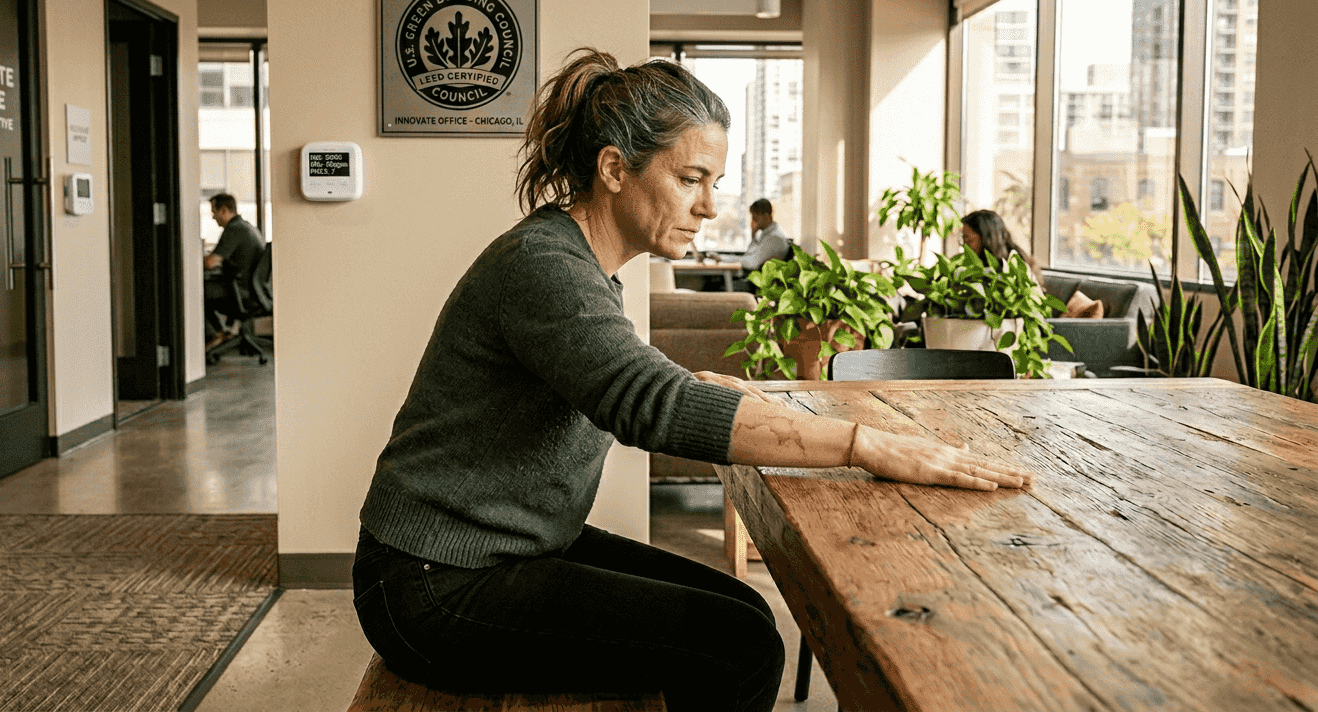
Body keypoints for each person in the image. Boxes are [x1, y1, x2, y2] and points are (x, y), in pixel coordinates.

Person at [352, 48, 1033, 712]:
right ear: (614, 168)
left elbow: (612, 369)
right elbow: (648, 406)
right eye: (690, 179)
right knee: (740, 647)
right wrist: (867, 445)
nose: (709, 207)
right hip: (433, 584)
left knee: (743, 608)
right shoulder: (544, 265)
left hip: (507, 549)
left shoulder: (577, 263)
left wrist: (698, 381)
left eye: (714, 184)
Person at [203, 193, 265, 350]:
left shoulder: (234, 229)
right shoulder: (246, 226)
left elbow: (211, 263)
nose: (213, 217)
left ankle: (216, 334)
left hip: (242, 292)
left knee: (196, 292)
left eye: (214, 212)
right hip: (255, 291)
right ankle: (224, 331)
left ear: (223, 210)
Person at [960, 208, 1044, 287]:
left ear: (986, 239)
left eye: (968, 239)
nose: (964, 245)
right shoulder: (971, 264)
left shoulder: (1014, 265)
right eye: (963, 238)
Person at [713, 198, 791, 272]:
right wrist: (753, 235)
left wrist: (722, 258)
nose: (753, 221)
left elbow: (752, 263)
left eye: (755, 218)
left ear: (766, 216)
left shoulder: (774, 238)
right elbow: (748, 256)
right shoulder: (767, 235)